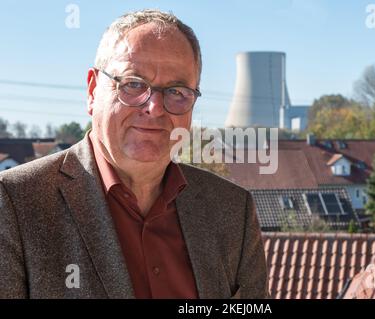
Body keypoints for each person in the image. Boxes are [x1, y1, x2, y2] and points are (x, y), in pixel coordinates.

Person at [0, 9, 268, 299]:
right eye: (134, 84)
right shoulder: (15, 204)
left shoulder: (232, 208)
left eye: (177, 91)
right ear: (92, 91)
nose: (154, 107)